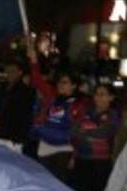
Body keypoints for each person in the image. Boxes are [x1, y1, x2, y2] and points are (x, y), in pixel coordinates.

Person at [27, 44, 85, 182]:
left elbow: (79, 134)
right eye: (59, 82)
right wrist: (34, 61)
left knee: (60, 185)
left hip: (63, 150)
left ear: (74, 86)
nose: (60, 85)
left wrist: (74, 156)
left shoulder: (79, 104)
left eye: (65, 82)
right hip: (44, 147)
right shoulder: (51, 96)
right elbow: (37, 80)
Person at [71, 83, 122, 191]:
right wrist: (92, 131)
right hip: (81, 160)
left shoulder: (113, 115)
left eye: (103, 94)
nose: (98, 97)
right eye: (96, 94)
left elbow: (105, 132)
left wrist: (85, 132)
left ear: (111, 97)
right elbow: (73, 131)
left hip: (101, 163)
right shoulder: (86, 113)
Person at [0, 59, 35, 148]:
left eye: (12, 71)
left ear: (20, 72)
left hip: (14, 137)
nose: (9, 74)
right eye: (7, 71)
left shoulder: (26, 91)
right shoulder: (1, 88)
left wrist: (19, 137)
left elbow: (25, 116)